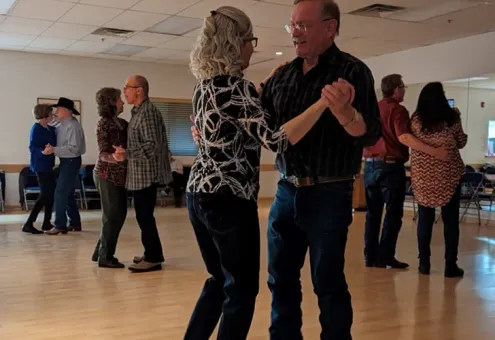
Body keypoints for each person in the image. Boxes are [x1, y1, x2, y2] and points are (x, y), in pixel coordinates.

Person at [191, 1, 381, 338]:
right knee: (279, 279)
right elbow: (261, 128)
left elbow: (369, 133)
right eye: (291, 25)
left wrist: (345, 113)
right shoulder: (283, 76)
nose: (294, 32)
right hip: (286, 189)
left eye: (303, 25)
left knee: (328, 281)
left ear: (330, 27)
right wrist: (209, 130)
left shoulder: (352, 72)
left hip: (329, 190)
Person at [185, 6, 329, 340]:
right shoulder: (238, 89)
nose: (253, 47)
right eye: (250, 40)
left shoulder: (204, 87)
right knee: (241, 290)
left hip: (199, 194)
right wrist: (321, 104)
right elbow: (277, 140)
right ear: (235, 43)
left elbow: (233, 119)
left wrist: (262, 87)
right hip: (228, 201)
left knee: (219, 281)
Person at [363, 74, 449, 269]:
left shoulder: (373, 108)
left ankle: (370, 256)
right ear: (395, 89)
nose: (404, 90)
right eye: (403, 87)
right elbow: (404, 137)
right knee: (393, 213)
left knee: (373, 213)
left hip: (369, 165)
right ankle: (385, 256)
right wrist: (434, 151)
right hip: (390, 166)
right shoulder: (398, 110)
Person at [112, 75, 172, 273]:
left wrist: (127, 154)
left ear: (139, 90)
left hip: (147, 175)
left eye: (127, 87)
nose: (124, 91)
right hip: (139, 174)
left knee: (145, 217)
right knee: (143, 216)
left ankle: (154, 258)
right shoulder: (138, 111)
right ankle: (150, 253)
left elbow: (152, 146)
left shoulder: (147, 113)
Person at [410, 82, 467, 278]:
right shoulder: (451, 118)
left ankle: (424, 263)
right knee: (451, 221)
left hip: (423, 178)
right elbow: (461, 142)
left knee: (424, 220)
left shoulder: (416, 120)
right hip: (449, 176)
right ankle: (450, 265)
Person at [91, 87, 128, 269]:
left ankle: (100, 251)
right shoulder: (103, 123)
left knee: (118, 214)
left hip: (119, 177)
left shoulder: (122, 122)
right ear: (112, 102)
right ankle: (105, 257)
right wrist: (114, 157)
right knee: (112, 216)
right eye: (119, 99)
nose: (122, 102)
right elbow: (103, 152)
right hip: (107, 175)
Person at [44, 97, 86, 235]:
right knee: (66, 193)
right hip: (66, 161)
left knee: (60, 193)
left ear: (67, 111)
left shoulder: (73, 126)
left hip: (71, 161)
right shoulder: (62, 124)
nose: (56, 111)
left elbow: (74, 148)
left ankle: (60, 224)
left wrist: (54, 150)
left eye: (59, 109)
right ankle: (74, 223)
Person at [22, 104, 57, 234]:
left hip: (49, 165)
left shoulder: (50, 129)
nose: (53, 115)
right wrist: (43, 151)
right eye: (51, 113)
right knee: (45, 194)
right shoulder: (36, 128)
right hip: (40, 165)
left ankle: (46, 222)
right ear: (44, 115)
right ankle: (29, 223)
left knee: (51, 193)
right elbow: (32, 147)